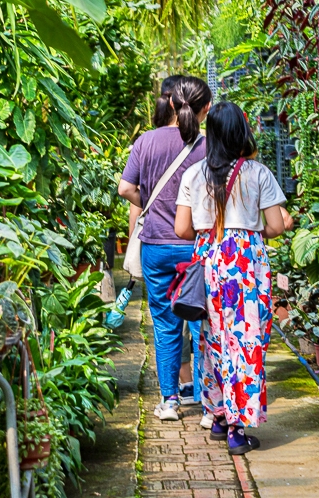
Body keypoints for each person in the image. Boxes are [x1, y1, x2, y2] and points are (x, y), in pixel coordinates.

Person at [174, 101, 293, 455]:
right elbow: (275, 226)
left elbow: (182, 228)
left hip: (208, 260)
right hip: (244, 265)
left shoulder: (193, 175)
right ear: (241, 132)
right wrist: (248, 229)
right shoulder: (257, 174)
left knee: (212, 339)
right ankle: (237, 430)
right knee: (245, 340)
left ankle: (220, 415)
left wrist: (210, 231)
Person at [118, 76, 212, 422]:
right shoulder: (208, 146)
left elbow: (125, 188)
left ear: (169, 103)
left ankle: (170, 401)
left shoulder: (146, 141)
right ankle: (207, 402)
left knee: (165, 324)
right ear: (205, 109)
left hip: (156, 245)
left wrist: (153, 206)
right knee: (205, 323)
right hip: (198, 248)